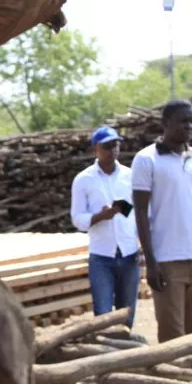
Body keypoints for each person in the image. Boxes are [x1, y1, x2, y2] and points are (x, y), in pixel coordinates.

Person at [133, 100, 192, 343]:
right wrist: (151, 262)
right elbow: (140, 212)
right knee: (172, 336)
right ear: (166, 123)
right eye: (184, 121)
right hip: (166, 260)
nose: (189, 126)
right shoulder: (147, 159)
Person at [71, 126, 140, 326]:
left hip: (129, 253)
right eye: (107, 146)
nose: (113, 150)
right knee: (102, 316)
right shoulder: (84, 180)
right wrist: (100, 216)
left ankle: (127, 347)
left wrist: (142, 245)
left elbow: (140, 213)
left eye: (116, 145)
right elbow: (77, 219)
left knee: (127, 315)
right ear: (95, 149)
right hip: (102, 257)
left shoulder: (130, 176)